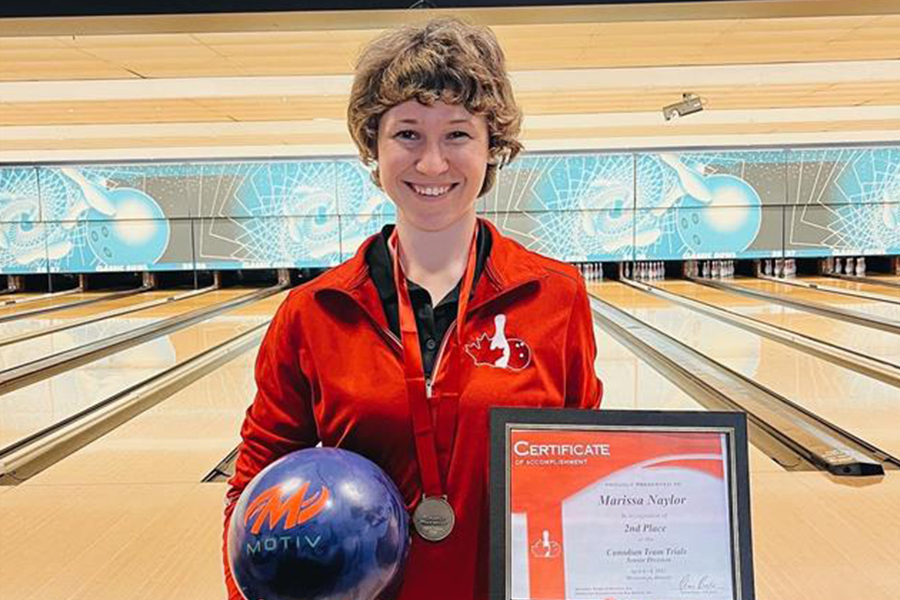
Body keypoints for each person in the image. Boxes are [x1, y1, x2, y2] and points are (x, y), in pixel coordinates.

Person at [223, 17, 602, 600]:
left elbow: (586, 472)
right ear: (372, 147)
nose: (431, 164)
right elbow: (253, 487)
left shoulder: (555, 297)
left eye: (457, 134)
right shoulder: (311, 313)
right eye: (406, 134)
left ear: (491, 147)